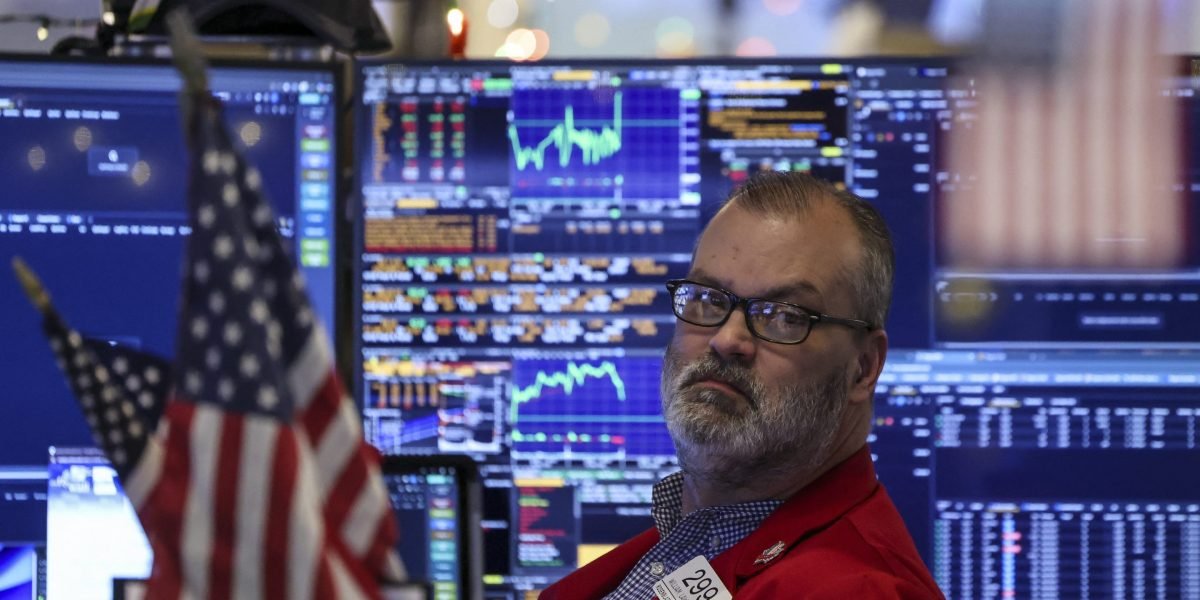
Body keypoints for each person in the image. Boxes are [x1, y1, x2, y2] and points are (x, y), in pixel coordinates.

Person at [540, 171, 944, 599]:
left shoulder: (859, 590)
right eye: (710, 299)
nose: (726, 339)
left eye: (784, 316)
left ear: (862, 368)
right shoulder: (699, 543)